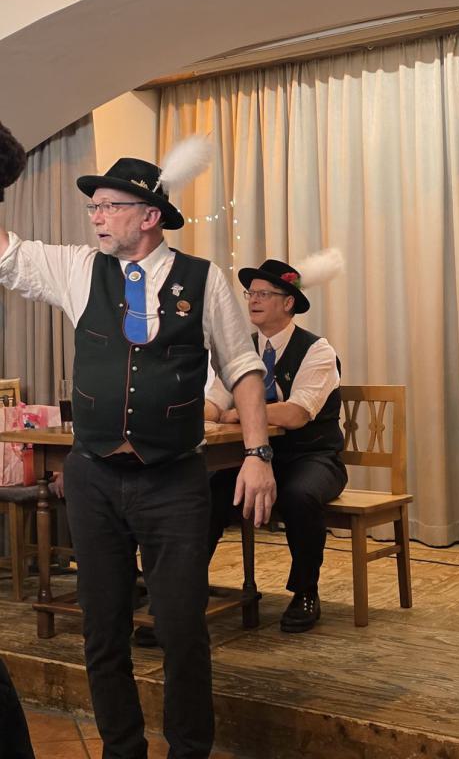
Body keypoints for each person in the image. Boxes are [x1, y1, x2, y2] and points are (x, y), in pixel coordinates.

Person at [0, 145, 277, 759]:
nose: (96, 217)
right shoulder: (79, 269)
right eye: (93, 207)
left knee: (182, 631)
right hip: (94, 476)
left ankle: (188, 750)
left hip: (172, 481)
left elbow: (242, 368)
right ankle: (121, 750)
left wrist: (258, 455)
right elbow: (7, 254)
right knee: (103, 632)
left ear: (149, 215)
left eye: (108, 206)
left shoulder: (202, 280)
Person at [206, 257, 347, 633]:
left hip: (312, 457)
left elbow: (296, 413)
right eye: (250, 293)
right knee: (203, 493)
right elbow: (215, 402)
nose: (253, 300)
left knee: (300, 495)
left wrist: (237, 413)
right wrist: (195, 410)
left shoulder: (317, 350)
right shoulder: (241, 350)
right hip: (252, 459)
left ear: (288, 302)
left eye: (263, 294)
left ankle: (305, 591)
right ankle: (182, 595)